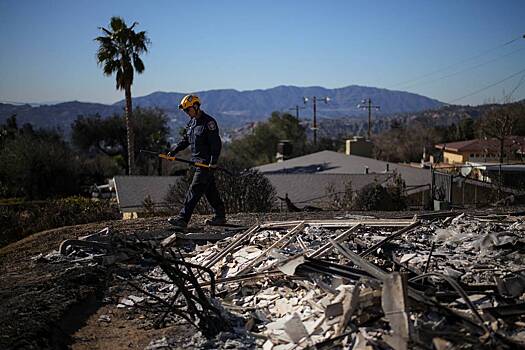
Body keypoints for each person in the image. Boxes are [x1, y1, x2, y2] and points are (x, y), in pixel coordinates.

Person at [167, 94, 226, 229]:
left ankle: (182, 219)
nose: (187, 113)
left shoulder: (209, 122)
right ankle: (220, 216)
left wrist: (213, 162)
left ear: (196, 106)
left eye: (188, 110)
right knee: (210, 191)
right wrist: (174, 151)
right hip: (196, 163)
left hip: (205, 164)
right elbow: (185, 140)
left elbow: (216, 144)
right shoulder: (192, 123)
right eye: (185, 111)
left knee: (194, 190)